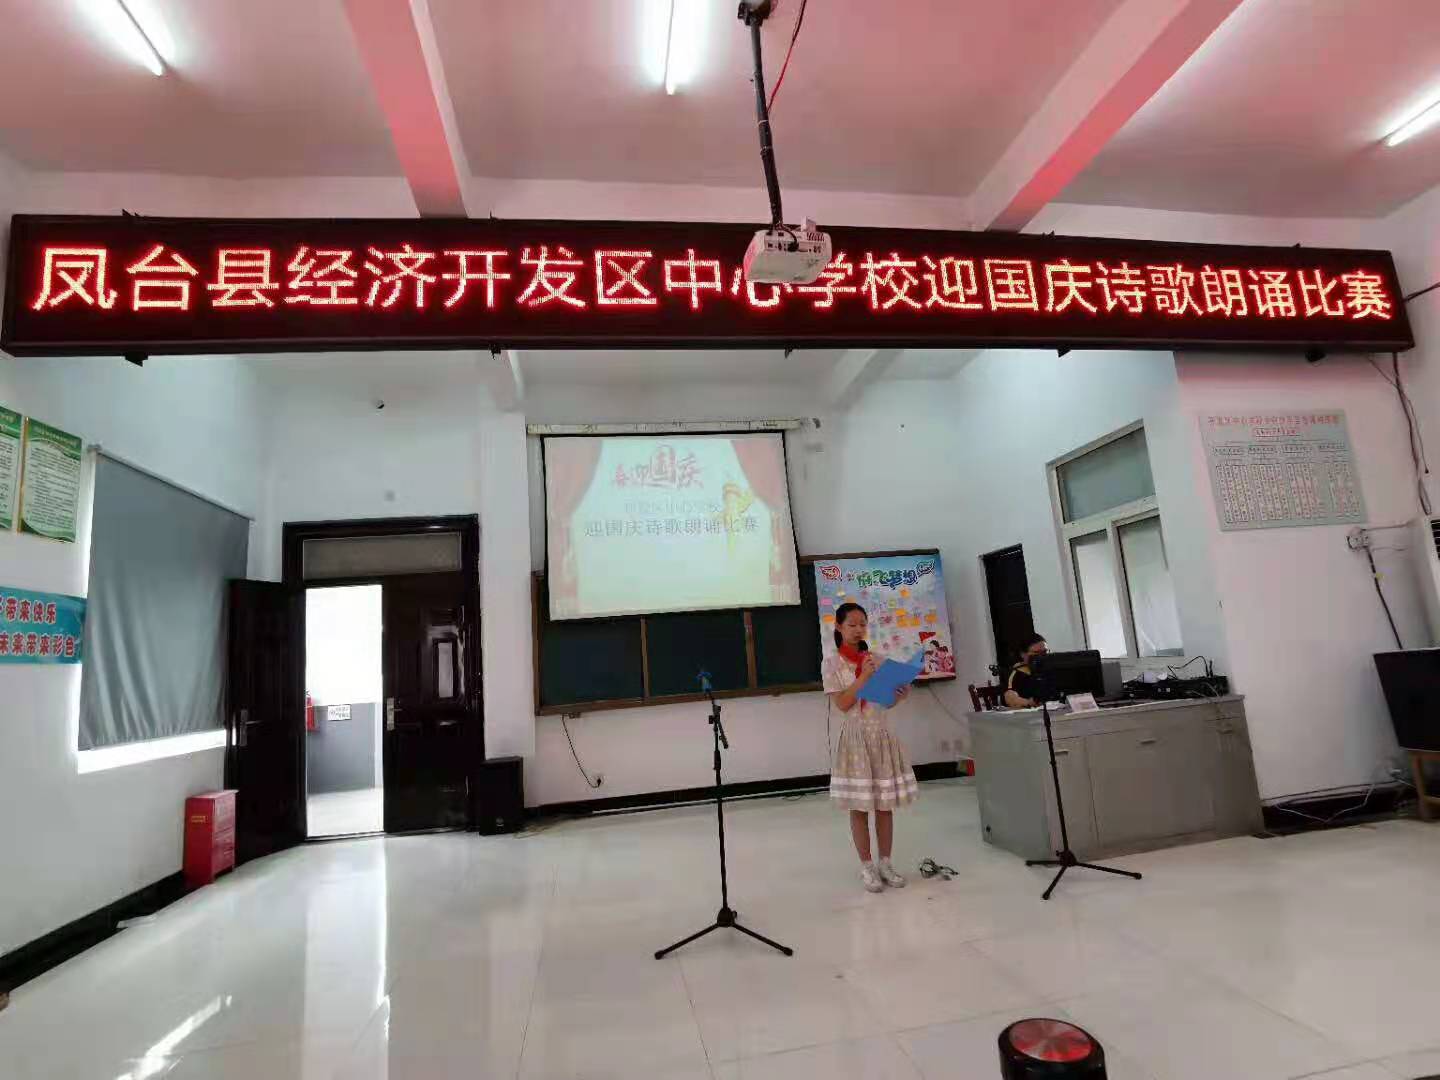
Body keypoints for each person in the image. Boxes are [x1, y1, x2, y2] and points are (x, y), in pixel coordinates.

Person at [824, 602, 919, 893]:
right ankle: (867, 866)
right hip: (855, 740)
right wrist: (864, 677)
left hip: (881, 736)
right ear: (839, 627)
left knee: (884, 805)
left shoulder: (877, 659)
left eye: (862, 624)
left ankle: (886, 863)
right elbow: (843, 704)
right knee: (860, 807)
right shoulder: (832, 663)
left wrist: (899, 695)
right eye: (851, 625)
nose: (858, 630)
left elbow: (884, 702)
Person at [1003, 632, 1048, 708]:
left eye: (1045, 652)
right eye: (1036, 653)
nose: (1041, 657)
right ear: (1023, 654)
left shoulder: (1052, 667)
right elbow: (1009, 697)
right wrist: (1029, 703)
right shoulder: (1017, 673)